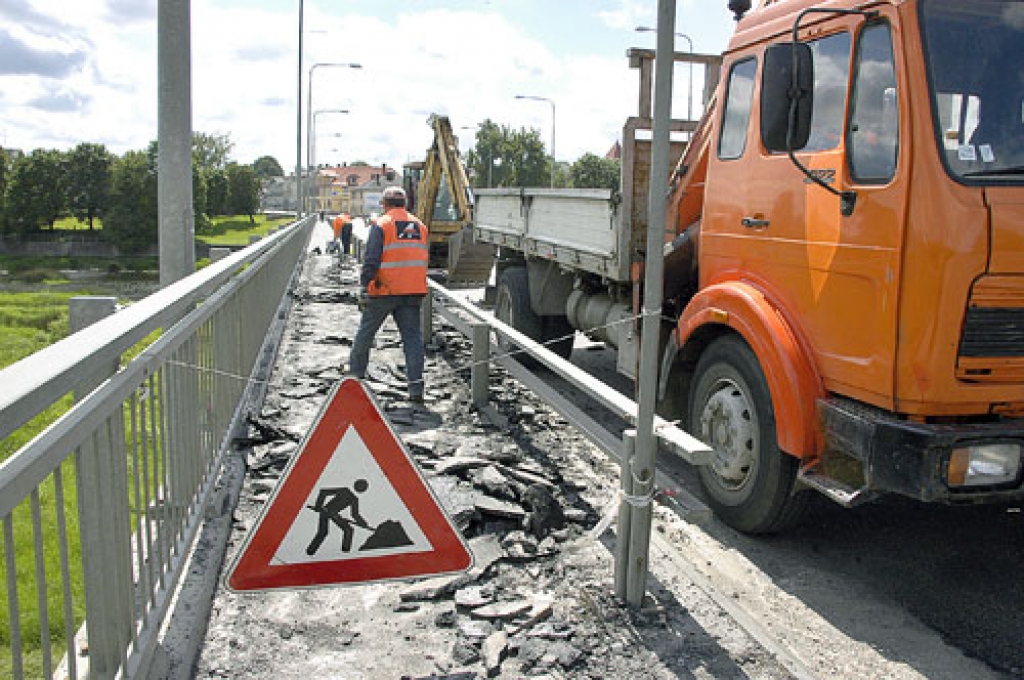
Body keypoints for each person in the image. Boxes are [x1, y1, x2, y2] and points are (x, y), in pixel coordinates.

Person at [347, 186, 428, 403]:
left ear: (384, 204)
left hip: (384, 290)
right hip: (413, 291)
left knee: (366, 333)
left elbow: (371, 260)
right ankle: (416, 388)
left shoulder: (381, 225)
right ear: (405, 204)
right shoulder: (420, 226)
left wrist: (364, 285)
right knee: (412, 339)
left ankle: (355, 378)